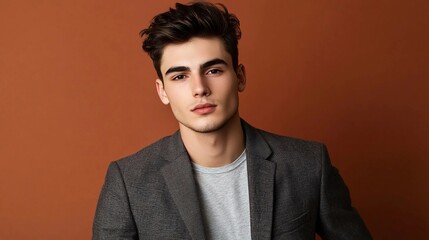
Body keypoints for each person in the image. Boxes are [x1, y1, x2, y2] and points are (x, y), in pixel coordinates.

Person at [93, 2, 372, 239]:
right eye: (180, 76)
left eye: (213, 70)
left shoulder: (309, 165)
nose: (199, 88)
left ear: (239, 77)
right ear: (162, 91)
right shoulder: (129, 182)